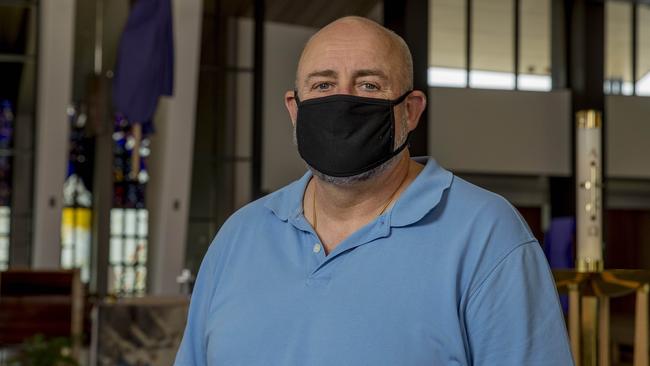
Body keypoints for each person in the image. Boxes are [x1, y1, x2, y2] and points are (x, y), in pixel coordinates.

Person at [175, 16, 573, 366]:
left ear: (411, 110)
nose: (343, 101)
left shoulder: (487, 235)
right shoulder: (238, 237)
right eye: (323, 84)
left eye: (368, 85)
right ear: (294, 109)